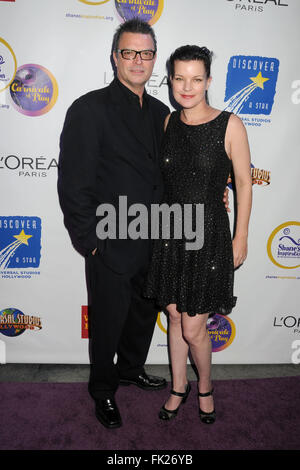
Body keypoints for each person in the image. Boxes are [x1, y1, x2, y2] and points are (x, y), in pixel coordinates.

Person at [57, 19, 170, 429]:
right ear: (115, 57)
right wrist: (90, 241)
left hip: (156, 237)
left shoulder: (162, 113)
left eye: (145, 53)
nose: (138, 61)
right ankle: (103, 390)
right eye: (129, 52)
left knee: (143, 315)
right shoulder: (89, 109)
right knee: (106, 322)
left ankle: (131, 369)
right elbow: (73, 182)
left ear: (154, 58)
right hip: (108, 242)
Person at [144, 45, 252, 424]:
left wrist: (241, 237)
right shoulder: (168, 123)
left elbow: (242, 182)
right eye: (179, 78)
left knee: (193, 327)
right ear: (170, 80)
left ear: (208, 81)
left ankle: (204, 385)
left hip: (209, 236)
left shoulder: (230, 124)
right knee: (174, 317)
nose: (187, 87)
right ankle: (178, 386)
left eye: (196, 78)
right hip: (170, 231)